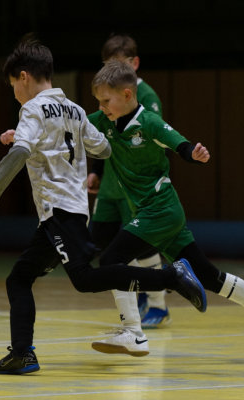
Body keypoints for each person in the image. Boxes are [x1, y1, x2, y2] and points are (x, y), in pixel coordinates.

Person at [0, 35, 207, 375]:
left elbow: (21, 152)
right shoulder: (75, 109)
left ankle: (172, 276)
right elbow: (103, 149)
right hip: (69, 210)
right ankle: (22, 353)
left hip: (58, 210)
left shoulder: (31, 109)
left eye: (13, 86)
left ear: (23, 77)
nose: (15, 93)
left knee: (83, 278)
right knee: (18, 278)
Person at [86, 59, 244, 357]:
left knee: (111, 259)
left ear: (126, 95)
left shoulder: (149, 122)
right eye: (98, 102)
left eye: (105, 101)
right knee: (210, 277)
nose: (101, 107)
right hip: (155, 215)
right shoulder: (105, 121)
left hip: (160, 210)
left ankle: (133, 333)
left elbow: (180, 145)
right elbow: (73, 123)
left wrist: (194, 153)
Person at [87, 34, 170, 332]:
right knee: (102, 241)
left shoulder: (146, 96)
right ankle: (139, 292)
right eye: (106, 66)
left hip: (135, 187)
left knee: (141, 245)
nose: (110, 72)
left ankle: (158, 304)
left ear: (134, 64)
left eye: (118, 65)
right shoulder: (107, 95)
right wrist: (96, 170)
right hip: (111, 185)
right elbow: (104, 134)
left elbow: (155, 141)